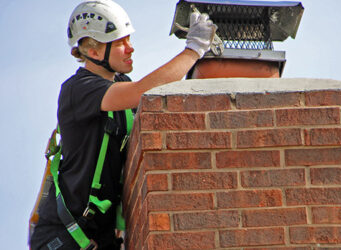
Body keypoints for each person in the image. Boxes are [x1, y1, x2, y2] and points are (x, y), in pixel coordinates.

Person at [29, 0, 216, 249]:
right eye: (120, 43)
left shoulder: (121, 86)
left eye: (129, 40)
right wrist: (193, 50)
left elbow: (156, 99)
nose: (130, 49)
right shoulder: (78, 90)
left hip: (98, 238)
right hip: (63, 238)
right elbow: (142, 91)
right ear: (94, 52)